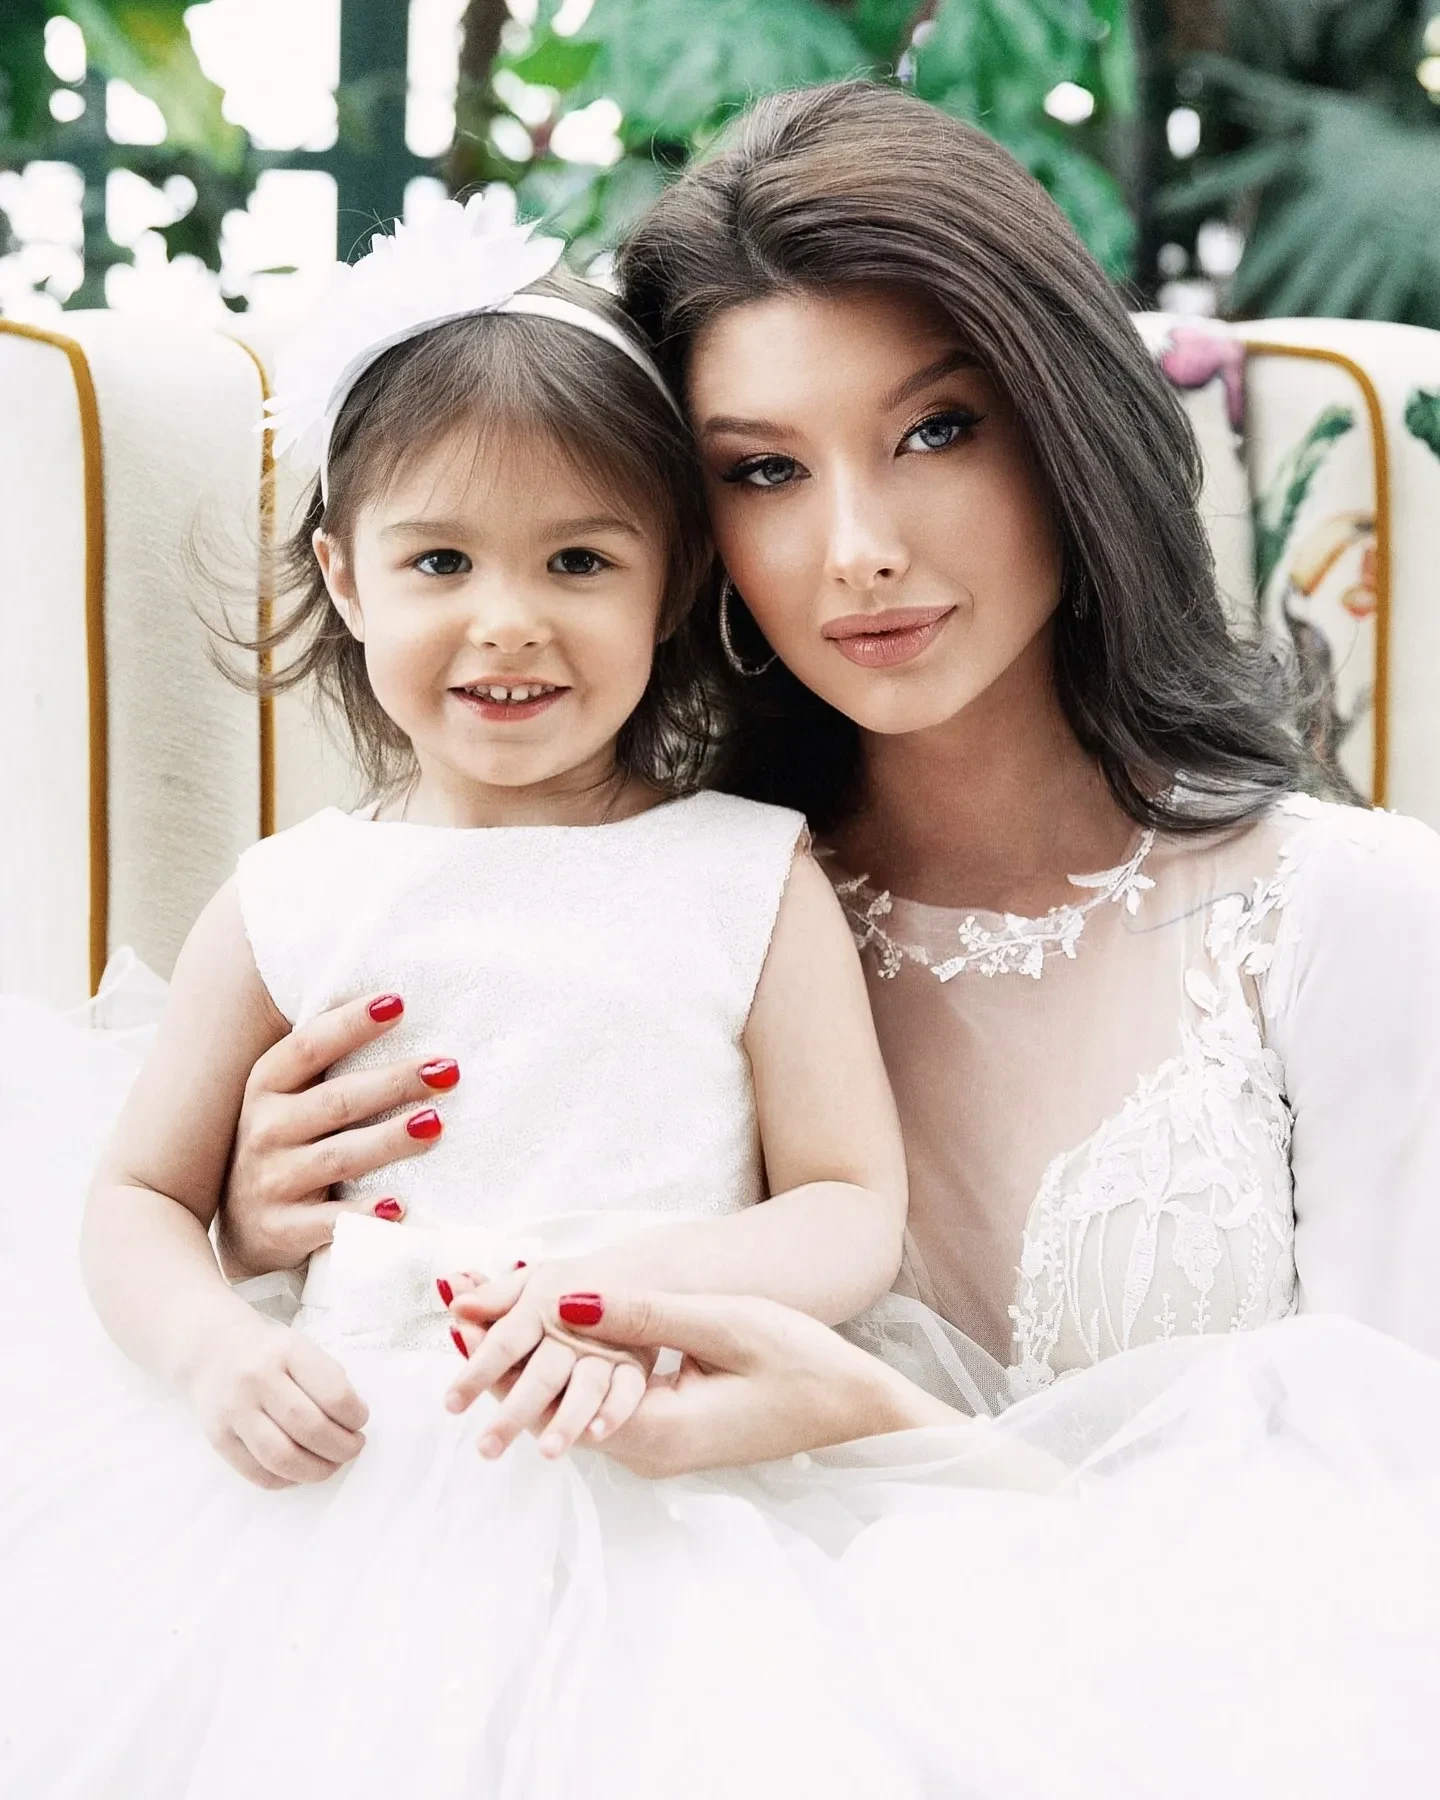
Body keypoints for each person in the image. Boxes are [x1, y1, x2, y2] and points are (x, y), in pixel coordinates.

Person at [222, 82, 1440, 1396]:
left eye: (937, 431)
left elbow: (1389, 1483)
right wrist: (269, 1227)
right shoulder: (672, 906)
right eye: (765, 470)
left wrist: (869, 1425)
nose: (861, 550)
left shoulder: (1344, 914)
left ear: (1069, 426)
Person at [0, 190, 981, 1800]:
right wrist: (210, 1354)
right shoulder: (295, 896)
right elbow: (137, 1197)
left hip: (672, 1466)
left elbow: (849, 1202)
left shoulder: (745, 875)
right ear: (347, 575)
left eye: (578, 559)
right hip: (342, 1485)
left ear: (671, 581)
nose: (507, 620)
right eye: (440, 559)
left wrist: (631, 1288)